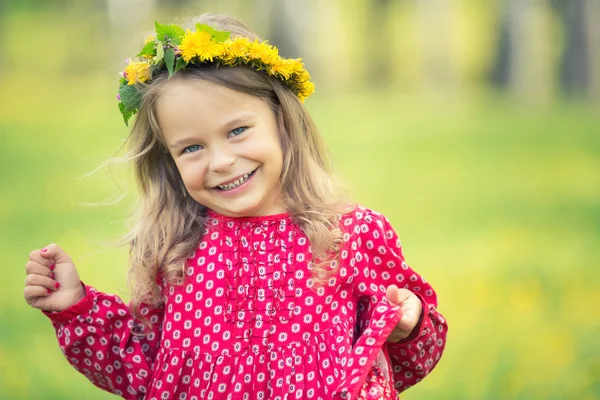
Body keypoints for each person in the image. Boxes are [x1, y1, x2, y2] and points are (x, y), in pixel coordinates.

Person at [23, 13, 447, 400]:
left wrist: (408, 328)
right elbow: (144, 374)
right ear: (169, 160)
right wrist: (76, 307)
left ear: (282, 120)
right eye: (191, 147)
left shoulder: (351, 235)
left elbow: (410, 361)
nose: (221, 161)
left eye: (238, 130)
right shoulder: (176, 248)